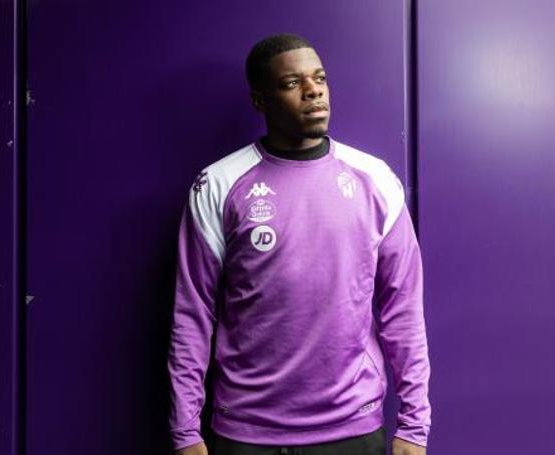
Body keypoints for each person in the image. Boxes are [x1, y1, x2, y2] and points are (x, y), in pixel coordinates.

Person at [167, 33, 431, 455]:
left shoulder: (375, 180)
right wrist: (185, 431)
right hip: (245, 433)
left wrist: (414, 426)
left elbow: (404, 310)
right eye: (292, 84)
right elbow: (192, 315)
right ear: (260, 101)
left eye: (320, 79)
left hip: (351, 431)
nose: (314, 91)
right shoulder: (218, 184)